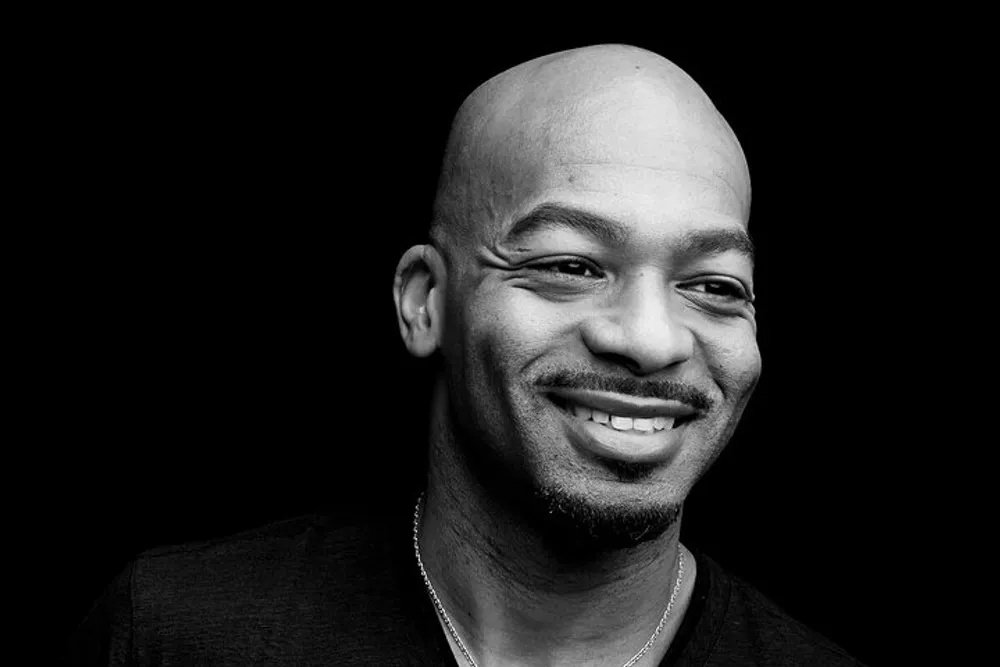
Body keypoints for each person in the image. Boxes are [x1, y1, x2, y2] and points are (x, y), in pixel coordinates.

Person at [64, 44, 866, 666]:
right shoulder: (178, 634)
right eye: (570, 265)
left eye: (715, 285)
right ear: (425, 302)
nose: (651, 339)